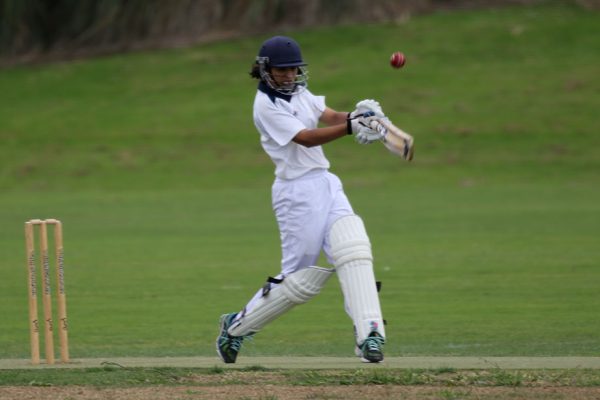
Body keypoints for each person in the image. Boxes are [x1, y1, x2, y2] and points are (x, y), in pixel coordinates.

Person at [216, 35, 388, 363]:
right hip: (295, 194)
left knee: (354, 250)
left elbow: (329, 115)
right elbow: (305, 138)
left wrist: (362, 115)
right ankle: (236, 326)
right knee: (299, 281)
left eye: (294, 69)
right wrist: (352, 128)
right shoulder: (265, 106)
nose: (290, 75)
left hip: (326, 183)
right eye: (282, 70)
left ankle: (369, 336)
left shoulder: (298, 91)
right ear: (265, 70)